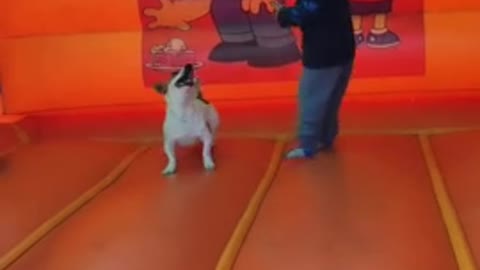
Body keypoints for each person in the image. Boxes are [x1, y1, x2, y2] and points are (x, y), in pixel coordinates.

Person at [270, 0, 356, 159]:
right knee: (330, 98)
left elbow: (305, 12)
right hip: (343, 48)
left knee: (312, 98)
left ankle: (308, 144)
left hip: (324, 53)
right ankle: (325, 137)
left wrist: (283, 14)